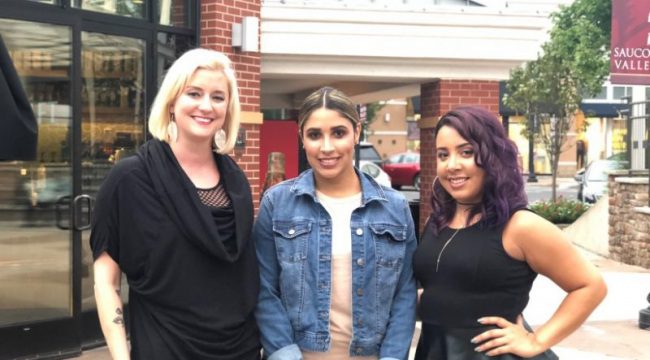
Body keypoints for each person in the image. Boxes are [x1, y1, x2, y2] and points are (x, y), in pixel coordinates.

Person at [90, 48, 260, 360]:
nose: (206, 106)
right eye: (194, 93)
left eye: (218, 97)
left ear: (228, 108)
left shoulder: (236, 180)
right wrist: (120, 355)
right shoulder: (130, 179)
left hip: (241, 349)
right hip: (165, 348)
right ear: (172, 102)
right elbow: (105, 279)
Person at [413, 106, 607, 360]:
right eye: (442, 154)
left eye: (466, 152)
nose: (452, 165)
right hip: (435, 350)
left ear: (491, 156)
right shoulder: (438, 220)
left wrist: (537, 340)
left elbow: (591, 286)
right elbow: (443, 291)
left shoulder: (520, 225)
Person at [254, 87, 417, 360]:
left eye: (338, 133)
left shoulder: (394, 208)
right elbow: (263, 288)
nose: (326, 147)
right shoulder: (277, 203)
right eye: (315, 135)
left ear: (357, 132)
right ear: (302, 138)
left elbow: (405, 293)